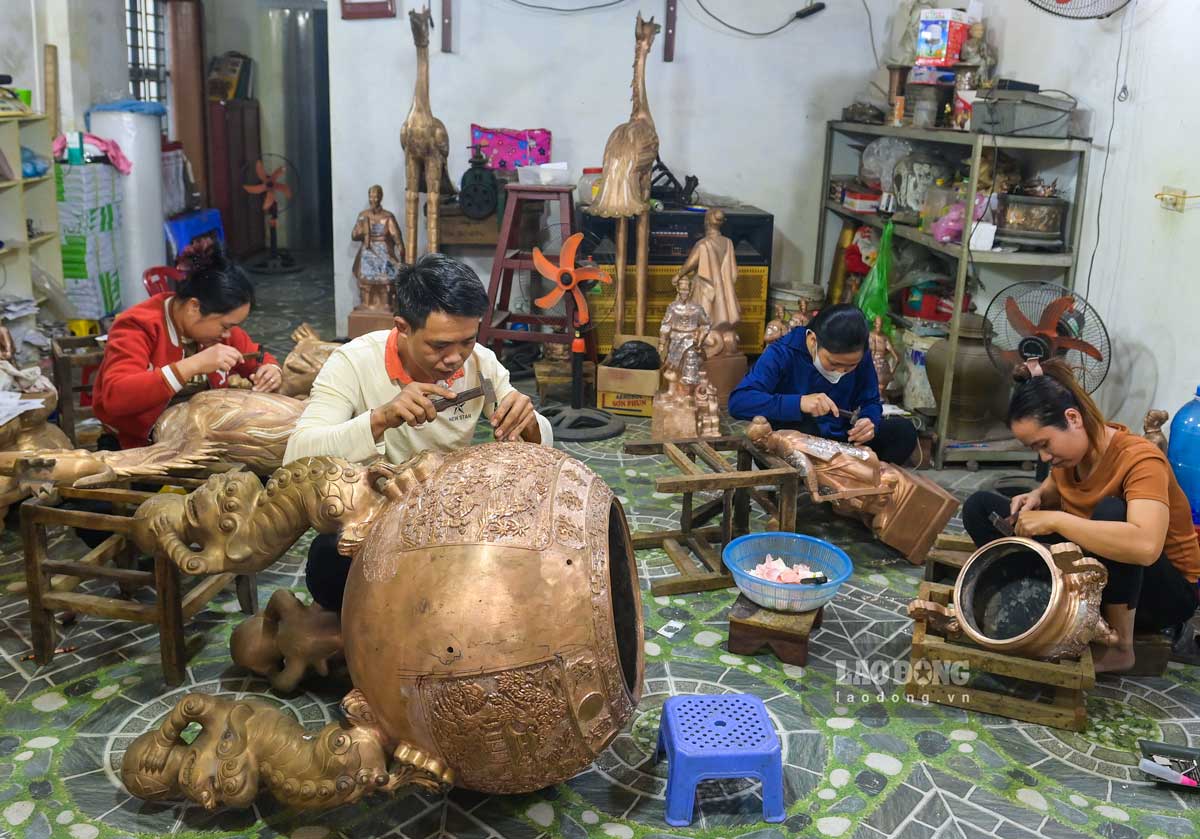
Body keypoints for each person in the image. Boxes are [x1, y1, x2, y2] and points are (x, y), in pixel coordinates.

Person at [284, 253, 553, 610]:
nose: (456, 358)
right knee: (328, 566)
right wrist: (381, 418)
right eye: (439, 346)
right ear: (403, 326)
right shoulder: (352, 362)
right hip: (381, 516)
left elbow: (541, 443)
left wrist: (530, 422)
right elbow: (297, 454)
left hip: (452, 513)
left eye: (467, 341)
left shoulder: (481, 363)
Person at [961, 360, 1200, 673]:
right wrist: (1036, 498)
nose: (1044, 457)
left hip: (1161, 594)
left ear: (1072, 418)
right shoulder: (1070, 454)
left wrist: (1055, 521)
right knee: (980, 506)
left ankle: (1120, 647)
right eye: (1035, 449)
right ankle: (1047, 597)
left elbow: (1145, 546)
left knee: (1112, 514)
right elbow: (1056, 485)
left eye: (1044, 444)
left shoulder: (1140, 459)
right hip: (1101, 568)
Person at [92, 240, 280, 450]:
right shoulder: (138, 325)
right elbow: (116, 396)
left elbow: (256, 356)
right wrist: (193, 365)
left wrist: (270, 370)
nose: (229, 334)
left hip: (202, 436)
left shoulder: (217, 332)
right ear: (194, 307)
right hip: (140, 446)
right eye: (225, 325)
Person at [728, 304, 917, 465]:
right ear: (812, 341)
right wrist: (799, 403)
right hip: (798, 443)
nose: (842, 371)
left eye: (850, 366)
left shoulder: (860, 355)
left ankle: (856, 487)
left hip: (844, 442)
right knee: (802, 431)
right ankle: (821, 489)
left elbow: (871, 401)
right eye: (834, 364)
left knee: (903, 431)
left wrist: (869, 421)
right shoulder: (782, 353)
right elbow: (739, 402)